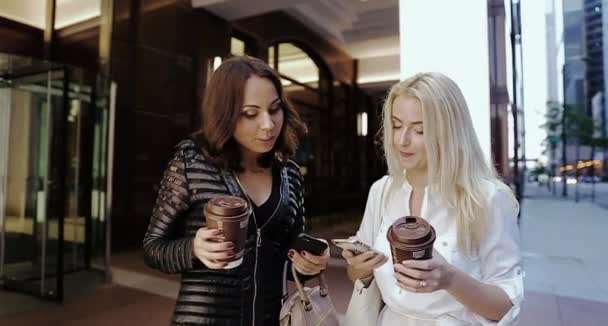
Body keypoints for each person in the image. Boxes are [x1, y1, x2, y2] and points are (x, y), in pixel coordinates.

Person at [143, 55, 330, 326]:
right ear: (225, 114)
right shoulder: (191, 161)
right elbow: (152, 247)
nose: (268, 124)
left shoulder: (289, 173)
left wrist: (306, 263)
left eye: (275, 109)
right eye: (250, 113)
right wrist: (193, 248)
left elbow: (288, 255)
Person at [343, 72, 524, 325]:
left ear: (450, 133)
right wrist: (360, 268)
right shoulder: (382, 191)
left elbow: (505, 306)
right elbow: (359, 276)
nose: (401, 140)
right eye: (396, 125)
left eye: (419, 130)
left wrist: (450, 279)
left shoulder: (487, 198)